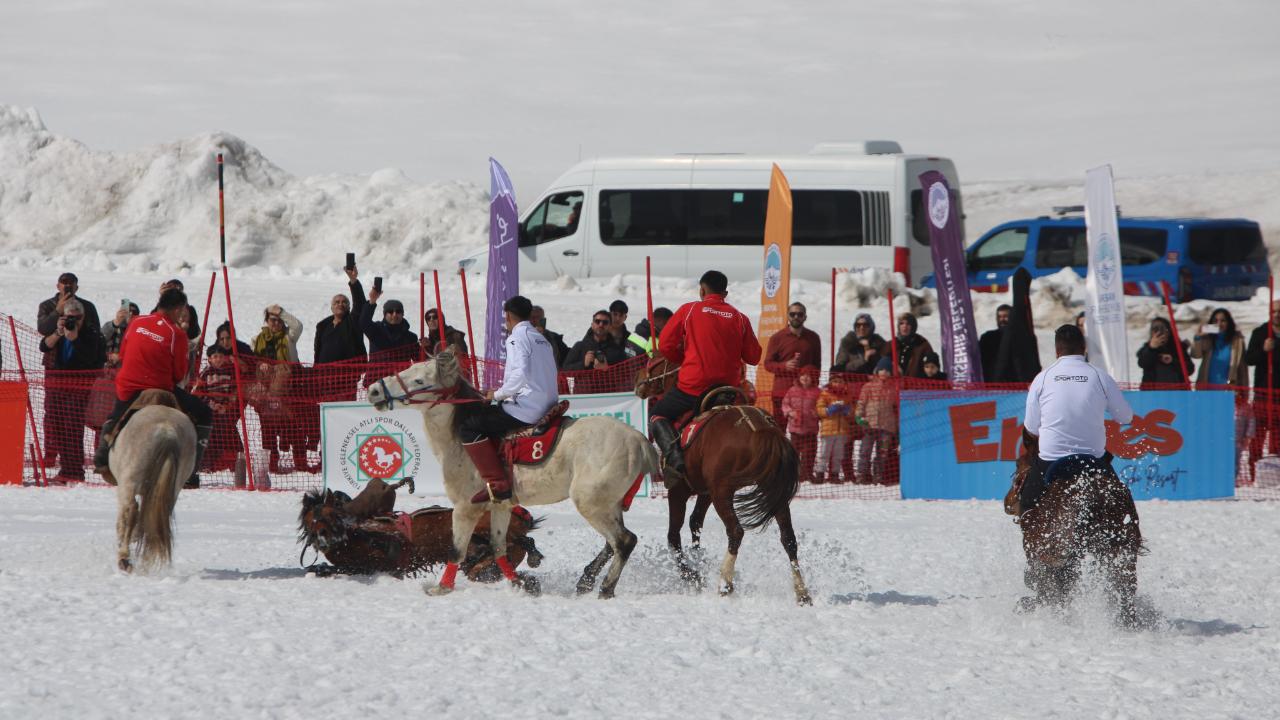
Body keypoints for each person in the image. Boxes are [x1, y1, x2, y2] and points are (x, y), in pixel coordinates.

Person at [649, 270, 761, 488]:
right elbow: (754, 357)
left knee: (657, 414)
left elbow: (665, 346)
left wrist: (684, 359)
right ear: (725, 293)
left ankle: (675, 460)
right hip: (728, 391)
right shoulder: (740, 317)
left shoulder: (689, 310)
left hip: (692, 388)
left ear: (701, 290)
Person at [94, 288, 214, 488]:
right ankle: (192, 469)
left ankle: (102, 455)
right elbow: (178, 374)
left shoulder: (136, 322)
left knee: (116, 416)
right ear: (177, 310)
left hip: (128, 387)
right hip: (159, 388)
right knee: (204, 414)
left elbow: (123, 353)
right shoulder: (177, 334)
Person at [1018, 324, 1134, 514]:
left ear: (1057, 351)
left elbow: (1031, 426)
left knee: (1028, 508)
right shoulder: (1100, 376)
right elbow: (1125, 417)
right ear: (1084, 347)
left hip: (1050, 458)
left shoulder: (1042, 378)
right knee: (1123, 507)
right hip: (1093, 459)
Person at [458, 295, 558, 504]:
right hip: (547, 403)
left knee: (468, 426)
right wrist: (501, 391)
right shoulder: (542, 339)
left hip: (527, 408)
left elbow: (520, 374)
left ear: (508, 316)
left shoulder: (516, 337)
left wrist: (497, 394)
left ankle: (497, 483)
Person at [37, 272, 101, 466]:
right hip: (54, 366)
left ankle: (73, 458)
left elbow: (94, 335)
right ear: (57, 286)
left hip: (79, 369)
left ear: (76, 287)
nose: (67, 288)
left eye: (71, 284)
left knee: (74, 415)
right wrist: (58, 312)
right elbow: (43, 329)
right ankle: (50, 453)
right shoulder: (47, 306)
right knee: (52, 412)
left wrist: (77, 331)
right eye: (64, 284)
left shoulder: (87, 307)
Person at [40, 298, 107, 484]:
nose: (73, 321)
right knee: (58, 427)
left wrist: (75, 339)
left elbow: (89, 358)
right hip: (57, 386)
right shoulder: (60, 330)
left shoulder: (91, 333)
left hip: (78, 388)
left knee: (73, 428)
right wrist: (58, 332)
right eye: (70, 317)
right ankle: (66, 469)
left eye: (77, 318)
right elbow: (43, 346)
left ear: (83, 317)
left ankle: (74, 471)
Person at [251, 305, 303, 473]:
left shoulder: (289, 337)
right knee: (268, 430)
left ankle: (300, 463)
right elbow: (252, 361)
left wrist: (281, 312)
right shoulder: (256, 339)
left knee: (294, 427)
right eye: (273, 320)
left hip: (289, 391)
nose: (276, 323)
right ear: (266, 321)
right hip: (265, 392)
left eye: (279, 320)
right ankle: (271, 463)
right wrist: (261, 365)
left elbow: (297, 326)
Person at [763, 302, 822, 427]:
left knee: (805, 431)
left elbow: (817, 366)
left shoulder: (813, 338)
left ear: (805, 317)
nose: (796, 317)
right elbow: (767, 364)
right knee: (779, 429)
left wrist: (814, 387)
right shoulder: (777, 338)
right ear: (788, 316)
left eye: (800, 314)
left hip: (806, 393)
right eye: (793, 314)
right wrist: (784, 366)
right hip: (782, 390)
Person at [1246, 301, 1280, 480]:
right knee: (1258, 435)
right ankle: (1253, 473)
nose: (1276, 314)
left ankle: (1275, 475)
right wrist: (1263, 350)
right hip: (1263, 392)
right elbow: (1249, 358)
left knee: (1277, 437)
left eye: (1279, 311)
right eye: (1273, 311)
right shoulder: (1260, 333)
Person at [855, 357, 900, 484]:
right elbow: (861, 403)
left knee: (882, 453)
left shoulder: (894, 389)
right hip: (869, 424)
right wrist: (859, 416)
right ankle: (862, 474)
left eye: (887, 370)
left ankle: (878, 475)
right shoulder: (868, 387)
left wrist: (896, 426)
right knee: (865, 450)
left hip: (887, 427)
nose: (884, 373)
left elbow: (896, 408)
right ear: (877, 371)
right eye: (882, 370)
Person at [563, 309, 630, 390]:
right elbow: (565, 371)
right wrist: (583, 364)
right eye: (597, 321)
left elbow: (625, 377)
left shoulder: (617, 351)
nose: (601, 325)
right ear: (592, 325)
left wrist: (607, 369)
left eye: (605, 322)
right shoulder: (580, 346)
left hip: (608, 397)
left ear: (609, 327)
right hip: (582, 396)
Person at [1190, 308, 1247, 389]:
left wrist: (1244, 390)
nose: (1219, 324)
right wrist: (1198, 337)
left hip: (1227, 390)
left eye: (1223, 321)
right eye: (1215, 321)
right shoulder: (1208, 338)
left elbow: (1242, 369)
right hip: (1207, 388)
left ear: (1229, 323)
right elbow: (1196, 355)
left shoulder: (1237, 341)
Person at [780, 366, 820, 483]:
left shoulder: (817, 392)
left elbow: (822, 405)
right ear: (799, 377)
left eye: (809, 376)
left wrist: (817, 412)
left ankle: (807, 473)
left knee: (809, 453)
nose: (805, 378)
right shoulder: (792, 390)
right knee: (794, 452)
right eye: (803, 375)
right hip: (795, 428)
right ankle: (794, 473)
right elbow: (785, 404)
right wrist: (789, 412)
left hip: (811, 428)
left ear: (813, 378)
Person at [359, 287, 419, 365]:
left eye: (398, 311)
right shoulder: (376, 329)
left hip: (400, 376)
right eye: (390, 312)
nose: (394, 315)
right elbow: (363, 322)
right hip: (377, 376)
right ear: (384, 314)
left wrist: (425, 347)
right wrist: (372, 302)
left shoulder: (411, 337)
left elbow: (419, 360)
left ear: (403, 314)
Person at [815, 373, 854, 483]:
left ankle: (834, 474)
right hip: (828, 430)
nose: (838, 384)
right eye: (835, 381)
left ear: (844, 384)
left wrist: (847, 411)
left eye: (840, 382)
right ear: (831, 382)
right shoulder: (825, 394)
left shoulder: (847, 395)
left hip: (842, 430)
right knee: (824, 454)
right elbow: (819, 409)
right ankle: (820, 473)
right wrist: (828, 410)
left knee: (838, 454)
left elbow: (853, 411)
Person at [1137, 317, 1193, 388]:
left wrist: (1173, 361)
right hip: (1153, 393)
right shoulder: (1147, 349)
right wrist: (1152, 348)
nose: (1159, 333)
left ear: (1169, 332)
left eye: (1163, 330)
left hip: (1177, 393)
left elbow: (1190, 369)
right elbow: (1143, 363)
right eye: (1155, 329)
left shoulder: (1178, 348)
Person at [102, 300, 141, 369]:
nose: (130, 314)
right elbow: (101, 339)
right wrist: (116, 323)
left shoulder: (139, 330)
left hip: (127, 368)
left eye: (134, 312)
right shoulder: (111, 325)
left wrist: (121, 357)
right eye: (128, 311)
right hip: (107, 369)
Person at [894, 312, 934, 379]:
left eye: (908, 324)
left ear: (913, 326)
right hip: (896, 385)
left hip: (917, 385)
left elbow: (932, 365)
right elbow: (882, 363)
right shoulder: (892, 343)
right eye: (901, 323)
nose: (905, 326)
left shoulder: (922, 344)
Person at [979, 304, 1012, 381]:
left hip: (1015, 384)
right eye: (999, 317)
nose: (1002, 319)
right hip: (991, 383)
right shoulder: (987, 337)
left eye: (1005, 316)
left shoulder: (1020, 337)